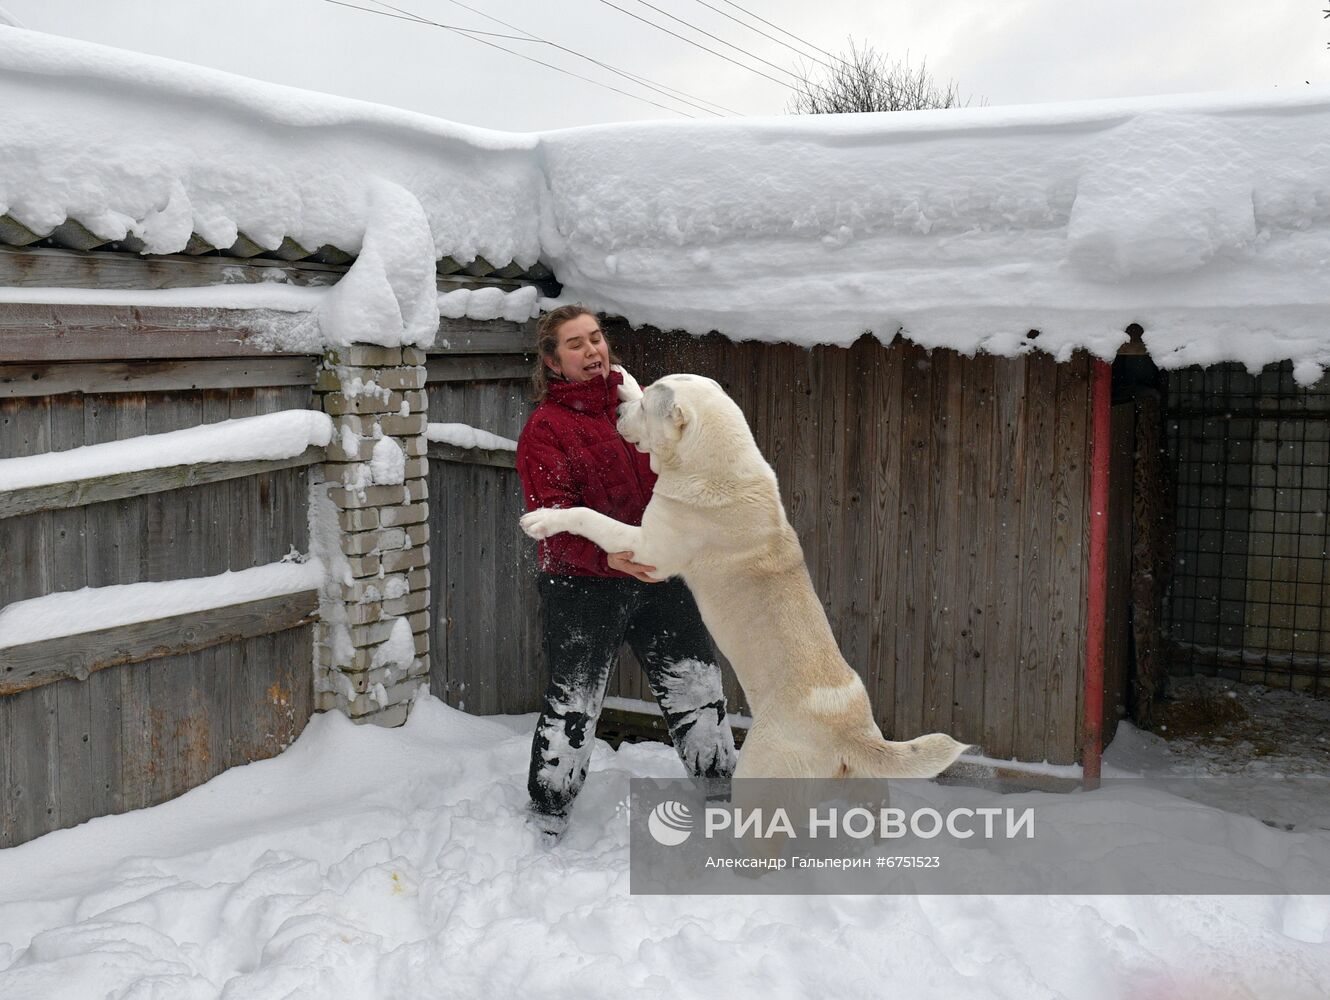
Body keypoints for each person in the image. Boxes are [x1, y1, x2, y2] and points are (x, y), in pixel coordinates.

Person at [516, 305, 737, 840]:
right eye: (575, 344)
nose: (592, 351)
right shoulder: (547, 429)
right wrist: (604, 557)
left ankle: (721, 797)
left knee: (697, 687)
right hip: (584, 587)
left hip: (659, 575)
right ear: (552, 362)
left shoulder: (639, 406)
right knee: (575, 704)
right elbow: (551, 520)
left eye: (596, 338)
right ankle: (549, 813)